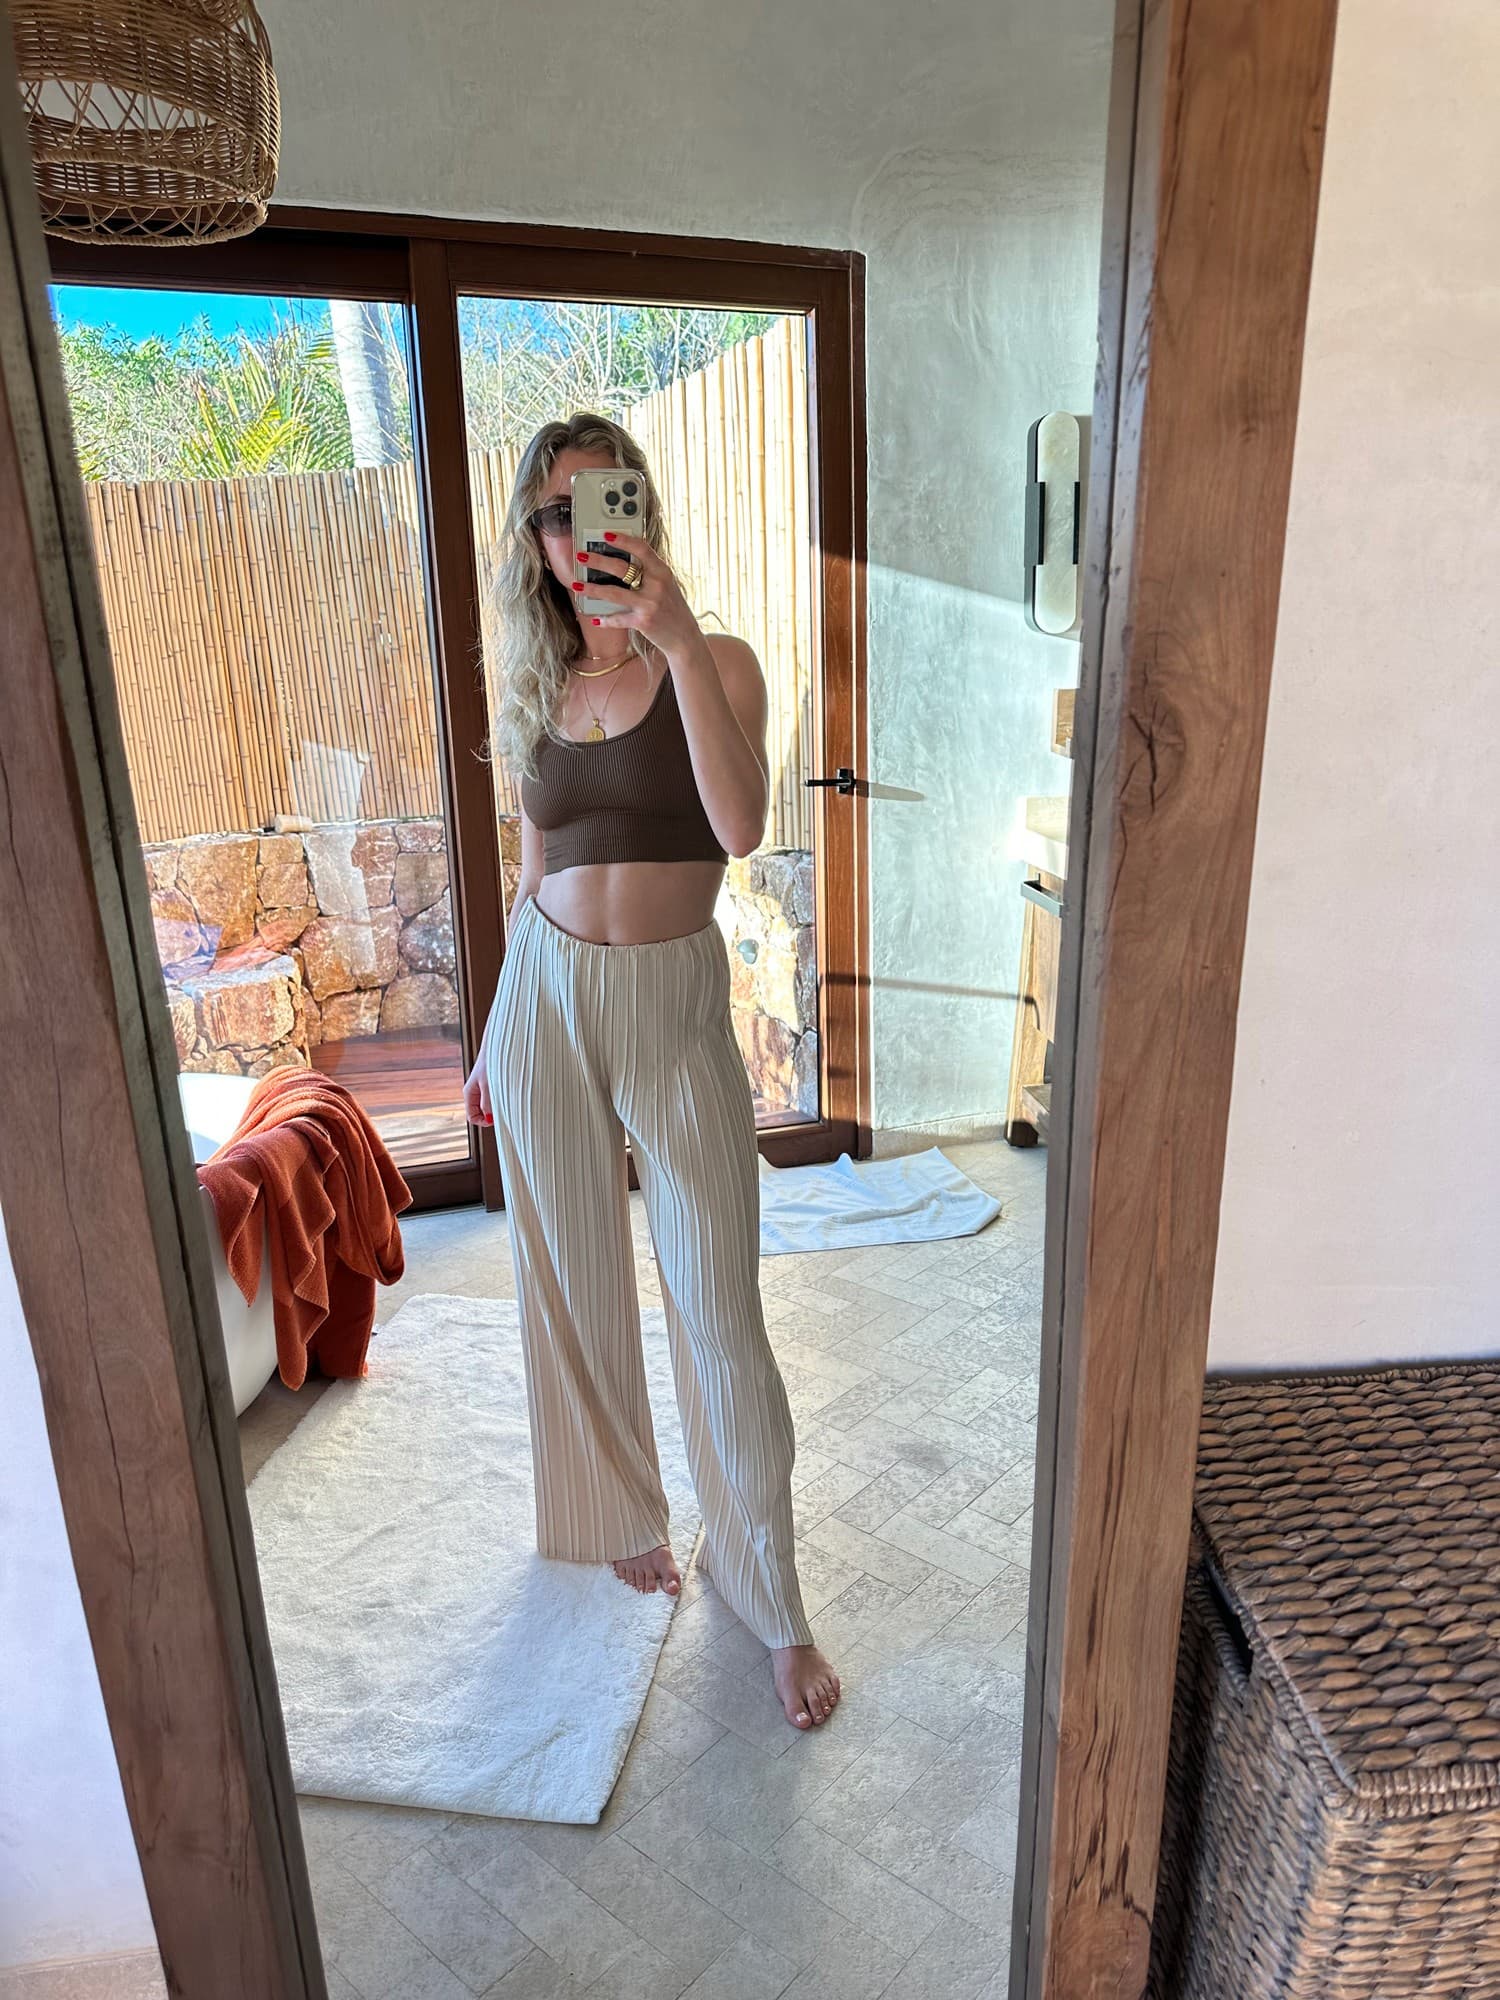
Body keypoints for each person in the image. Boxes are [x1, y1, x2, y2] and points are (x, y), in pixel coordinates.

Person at [463, 413, 840, 1731]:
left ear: (640, 511)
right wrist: (494, 1030)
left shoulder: (716, 661)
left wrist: (673, 639)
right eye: (553, 514)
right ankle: (621, 1512)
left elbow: (739, 828)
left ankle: (768, 1591)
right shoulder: (534, 691)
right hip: (546, 999)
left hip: (673, 1007)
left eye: (600, 505)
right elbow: (530, 875)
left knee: (718, 1308)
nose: (579, 537)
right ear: (535, 540)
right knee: (569, 1276)